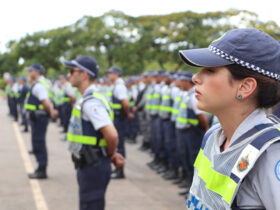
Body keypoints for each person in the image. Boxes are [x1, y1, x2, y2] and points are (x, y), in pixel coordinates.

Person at [179, 28, 280, 209]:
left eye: (209, 70)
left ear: (245, 87)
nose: (195, 77)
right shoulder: (213, 136)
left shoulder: (269, 154)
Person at [63, 56, 125, 210]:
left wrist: (111, 154)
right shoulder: (88, 97)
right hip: (90, 162)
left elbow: (112, 134)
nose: (68, 75)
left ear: (84, 74)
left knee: (91, 205)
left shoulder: (91, 102)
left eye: (72, 71)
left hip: (93, 164)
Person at [25, 63, 58, 179]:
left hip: (39, 118)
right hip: (39, 117)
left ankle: (42, 169)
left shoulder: (39, 85)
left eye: (31, 71)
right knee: (38, 142)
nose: (29, 73)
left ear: (37, 72)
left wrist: (51, 112)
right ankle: (40, 167)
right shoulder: (41, 83)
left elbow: (44, 101)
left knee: (39, 142)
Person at [106, 66, 134, 179]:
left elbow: (125, 103)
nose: (108, 75)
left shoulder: (119, 87)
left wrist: (127, 114)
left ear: (116, 74)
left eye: (110, 73)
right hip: (116, 118)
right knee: (118, 144)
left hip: (119, 118)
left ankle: (120, 171)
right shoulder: (116, 86)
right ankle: (118, 169)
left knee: (120, 145)